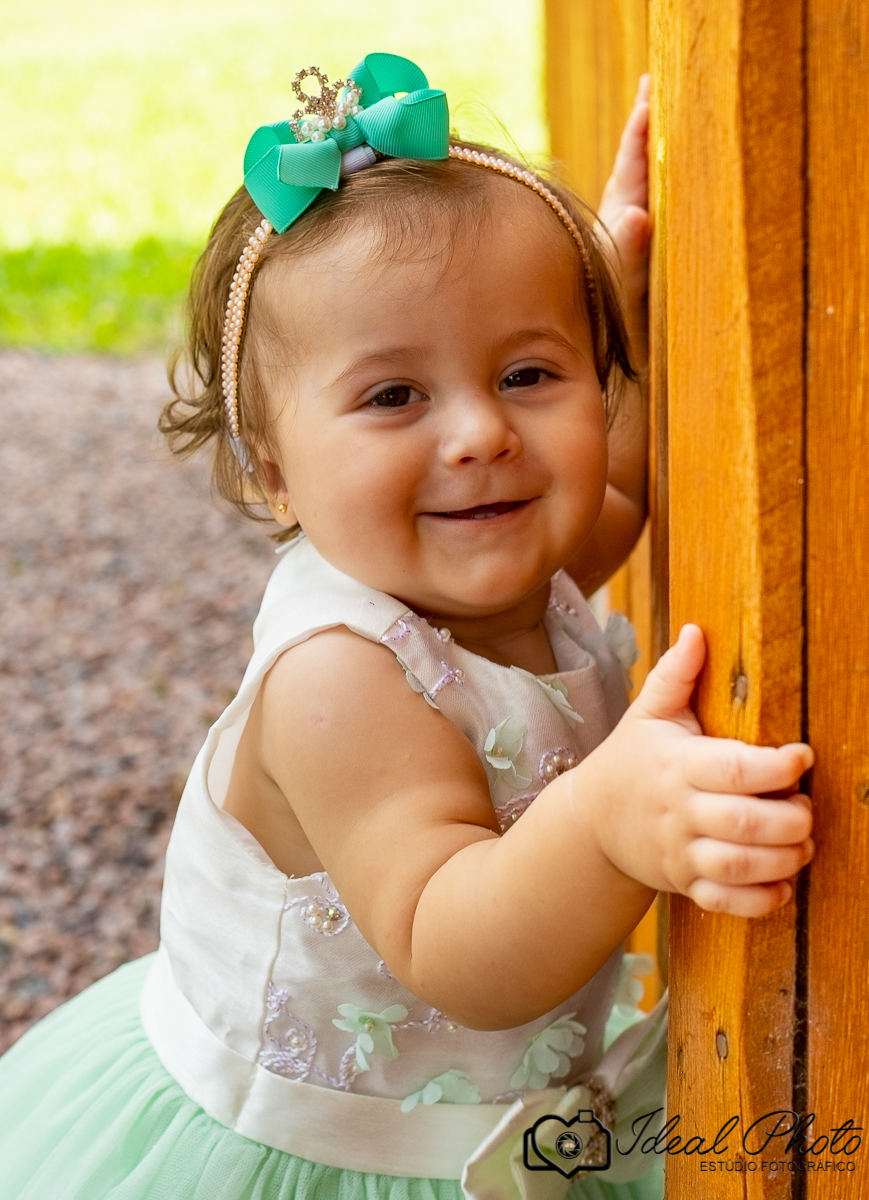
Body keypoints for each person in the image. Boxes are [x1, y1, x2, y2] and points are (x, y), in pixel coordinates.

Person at [0, 52, 814, 1200]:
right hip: (329, 1160)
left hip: (487, 1133)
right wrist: (608, 819)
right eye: (393, 396)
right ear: (272, 473)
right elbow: (450, 945)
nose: (480, 433)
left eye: (528, 373)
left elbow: (622, 494)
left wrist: (630, 301)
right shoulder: (338, 682)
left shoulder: (494, 569)